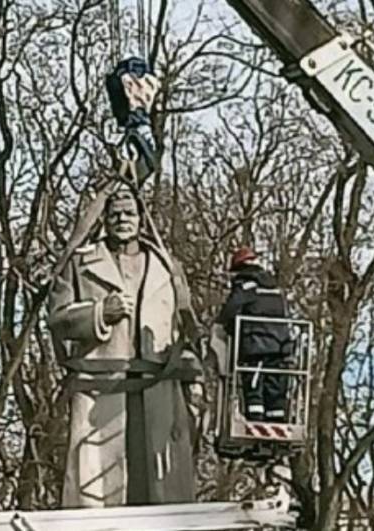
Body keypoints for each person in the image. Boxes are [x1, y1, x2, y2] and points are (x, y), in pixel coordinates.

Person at [48, 185, 200, 508]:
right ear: (104, 219)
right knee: (99, 497)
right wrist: (100, 312)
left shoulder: (167, 266)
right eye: (115, 213)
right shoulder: (80, 263)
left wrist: (193, 378)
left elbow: (184, 326)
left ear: (142, 218)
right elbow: (58, 320)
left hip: (157, 390)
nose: (122, 219)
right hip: (103, 391)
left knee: (160, 496)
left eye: (129, 212)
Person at [216, 247, 292, 423]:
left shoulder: (245, 285)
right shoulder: (274, 286)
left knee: (254, 388)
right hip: (280, 346)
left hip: (255, 346)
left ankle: (255, 421)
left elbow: (230, 310)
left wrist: (223, 327)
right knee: (275, 389)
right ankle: (277, 422)